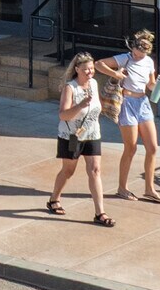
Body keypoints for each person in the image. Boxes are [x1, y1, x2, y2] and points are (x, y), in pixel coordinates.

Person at [98, 30, 160, 203]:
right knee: (131, 147)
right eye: (135, 53)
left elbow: (150, 84)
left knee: (153, 147)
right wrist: (115, 74)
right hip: (126, 103)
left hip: (142, 102)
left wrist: (158, 87)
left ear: (146, 53)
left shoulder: (149, 62)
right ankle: (122, 188)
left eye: (140, 55)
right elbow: (99, 64)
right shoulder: (124, 58)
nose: (136, 56)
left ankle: (149, 189)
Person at [47, 53, 114, 226]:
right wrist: (80, 105)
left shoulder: (93, 83)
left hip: (92, 134)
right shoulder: (70, 88)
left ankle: (100, 213)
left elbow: (96, 107)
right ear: (77, 69)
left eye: (92, 69)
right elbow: (63, 115)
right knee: (68, 171)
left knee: (95, 170)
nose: (90, 73)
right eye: (86, 70)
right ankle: (54, 198)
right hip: (71, 136)